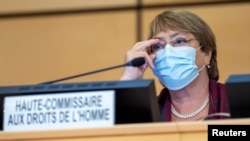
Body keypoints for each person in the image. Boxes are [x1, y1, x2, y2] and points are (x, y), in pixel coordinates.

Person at [120, 10, 230, 122]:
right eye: (158, 46)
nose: (168, 52)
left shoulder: (235, 100)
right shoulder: (147, 113)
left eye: (179, 41)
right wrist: (128, 81)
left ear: (206, 53)